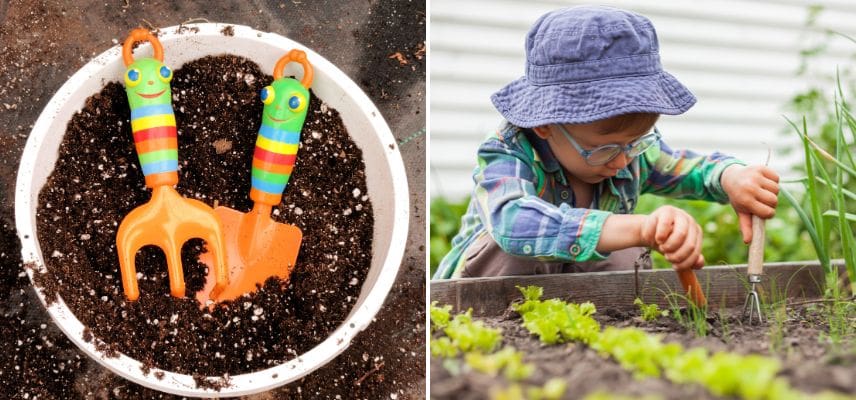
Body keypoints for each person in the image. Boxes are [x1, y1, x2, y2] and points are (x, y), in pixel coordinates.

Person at [433, 5, 779, 279]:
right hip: (480, 301)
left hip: (577, 301)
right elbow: (512, 221)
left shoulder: (628, 152)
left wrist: (730, 176)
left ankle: (611, 331)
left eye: (636, 143)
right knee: (511, 246)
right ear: (544, 125)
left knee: (626, 251)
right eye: (605, 149)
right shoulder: (509, 152)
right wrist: (640, 227)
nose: (622, 161)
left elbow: (686, 168)